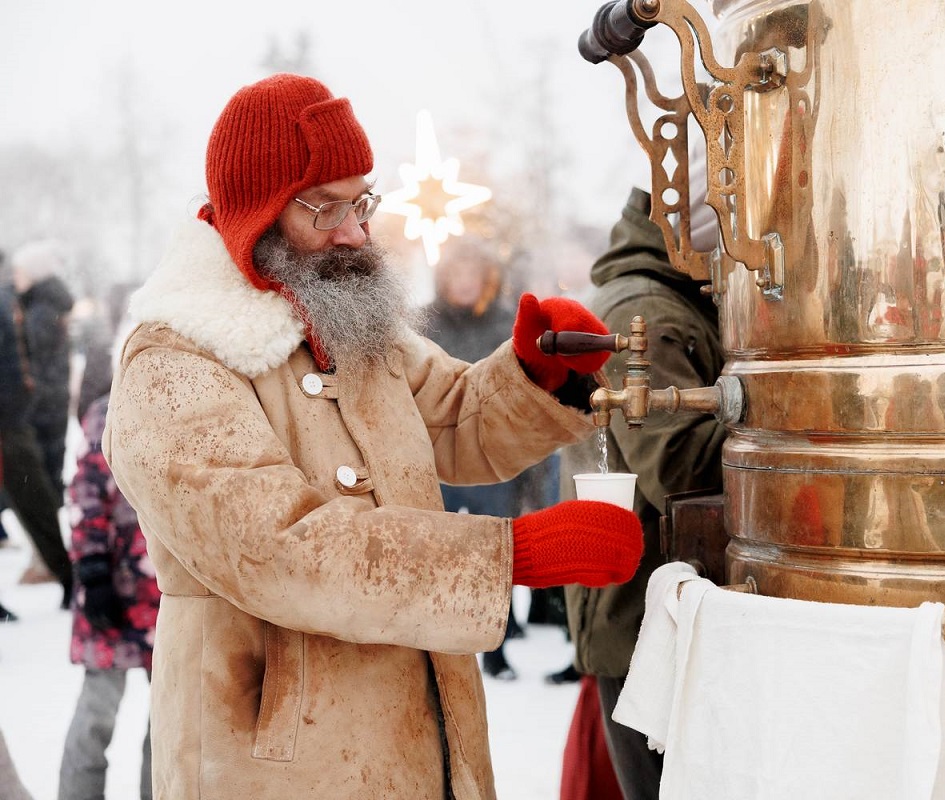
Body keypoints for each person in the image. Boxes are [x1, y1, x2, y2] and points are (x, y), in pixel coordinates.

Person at [102, 72, 644, 799]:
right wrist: (506, 558)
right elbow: (280, 550)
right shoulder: (173, 361)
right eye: (323, 208)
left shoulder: (349, 319)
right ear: (254, 215)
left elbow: (454, 418)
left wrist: (531, 377)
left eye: (361, 200)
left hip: (418, 735)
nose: (355, 231)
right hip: (271, 766)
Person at [561, 185, 726, 800]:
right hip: (647, 626)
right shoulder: (649, 313)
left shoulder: (664, 300)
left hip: (654, 617)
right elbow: (679, 467)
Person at [423, 236, 526, 680]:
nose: (464, 283)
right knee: (438, 553)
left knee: (492, 555)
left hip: (491, 458)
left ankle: (495, 648)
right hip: (437, 461)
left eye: (472, 274)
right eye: (456, 274)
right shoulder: (422, 323)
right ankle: (442, 648)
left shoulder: (506, 323)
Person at [59, 392, 160, 800]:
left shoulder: (197, 395)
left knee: (170, 721)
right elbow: (86, 492)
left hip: (170, 596)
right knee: (96, 715)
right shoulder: (109, 409)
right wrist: (94, 571)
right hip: (115, 593)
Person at [0, 249, 73, 608]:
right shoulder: (19, 302)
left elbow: (23, 363)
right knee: (38, 500)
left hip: (18, 418)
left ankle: (67, 576)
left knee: (37, 499)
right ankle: (66, 576)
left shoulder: (28, 307)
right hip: (21, 416)